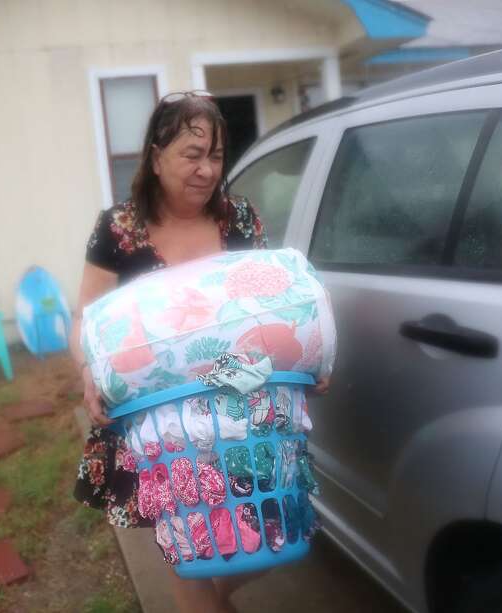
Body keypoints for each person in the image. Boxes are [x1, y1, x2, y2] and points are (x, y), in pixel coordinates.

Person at [69, 91, 323, 612]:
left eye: (215, 156)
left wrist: (305, 359)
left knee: (267, 535)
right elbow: (86, 316)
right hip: (160, 415)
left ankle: (219, 593)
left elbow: (272, 302)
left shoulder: (240, 219)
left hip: (237, 398)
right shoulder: (119, 228)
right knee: (189, 542)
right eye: (191, 154)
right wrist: (90, 372)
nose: (206, 170)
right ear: (156, 156)